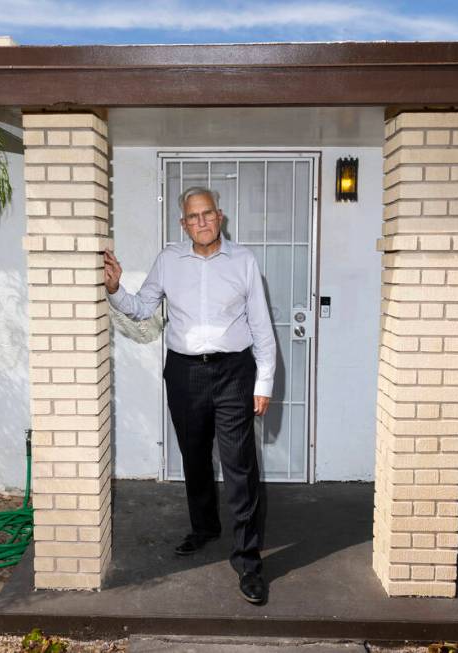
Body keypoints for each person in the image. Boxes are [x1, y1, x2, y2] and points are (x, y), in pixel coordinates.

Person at [104, 186, 276, 604]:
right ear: (183, 223)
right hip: (184, 373)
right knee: (194, 456)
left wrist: (264, 381)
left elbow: (260, 323)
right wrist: (114, 288)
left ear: (220, 216)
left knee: (239, 466)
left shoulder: (244, 261)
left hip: (234, 371)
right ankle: (204, 528)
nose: (201, 222)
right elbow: (143, 308)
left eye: (208, 214)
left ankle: (248, 561)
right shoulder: (168, 261)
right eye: (193, 217)